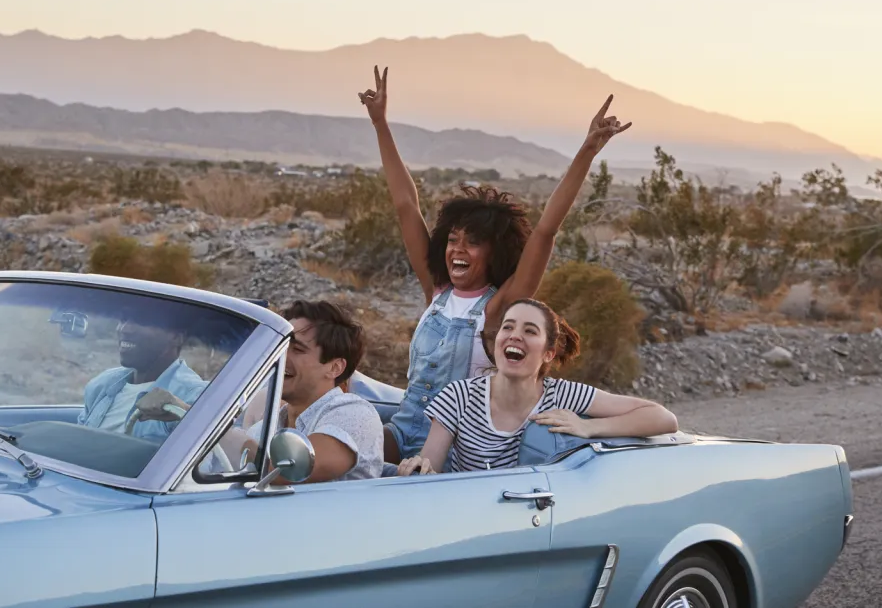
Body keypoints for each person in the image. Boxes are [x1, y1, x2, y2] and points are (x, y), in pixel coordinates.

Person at [358, 65, 631, 461]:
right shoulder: (436, 292)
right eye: (452, 240)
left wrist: (587, 150)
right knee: (342, 444)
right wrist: (380, 123)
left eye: (472, 243)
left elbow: (545, 232)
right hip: (403, 431)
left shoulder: (498, 308)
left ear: (497, 251)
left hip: (452, 450)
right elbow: (405, 205)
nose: (457, 250)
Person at [396, 298, 678, 475]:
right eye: (508, 327)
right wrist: (417, 469)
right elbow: (430, 472)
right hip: (469, 519)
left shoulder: (564, 395)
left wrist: (589, 428)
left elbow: (663, 418)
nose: (514, 336)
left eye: (530, 331)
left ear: (548, 353)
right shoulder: (458, 396)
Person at [238, 300, 384, 482]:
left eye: (297, 349)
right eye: (281, 345)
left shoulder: (355, 415)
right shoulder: (263, 429)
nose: (280, 355)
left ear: (335, 368)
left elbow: (292, 468)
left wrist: (226, 440)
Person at [77, 313, 207, 441]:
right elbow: (78, 444)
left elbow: (210, 455)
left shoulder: (196, 396)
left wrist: (185, 412)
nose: (124, 329)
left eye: (142, 321)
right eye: (123, 319)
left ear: (176, 337)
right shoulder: (103, 384)